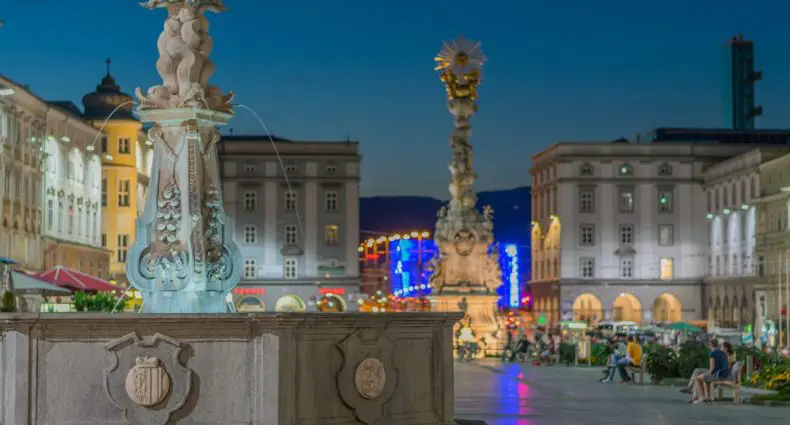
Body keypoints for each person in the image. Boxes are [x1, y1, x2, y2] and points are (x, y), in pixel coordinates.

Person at [691, 338, 730, 404]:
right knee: (705, 378)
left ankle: (702, 397)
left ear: (710, 345)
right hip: (724, 375)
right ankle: (707, 398)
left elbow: (712, 369)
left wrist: (703, 374)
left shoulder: (712, 354)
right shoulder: (722, 353)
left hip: (717, 376)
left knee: (696, 378)